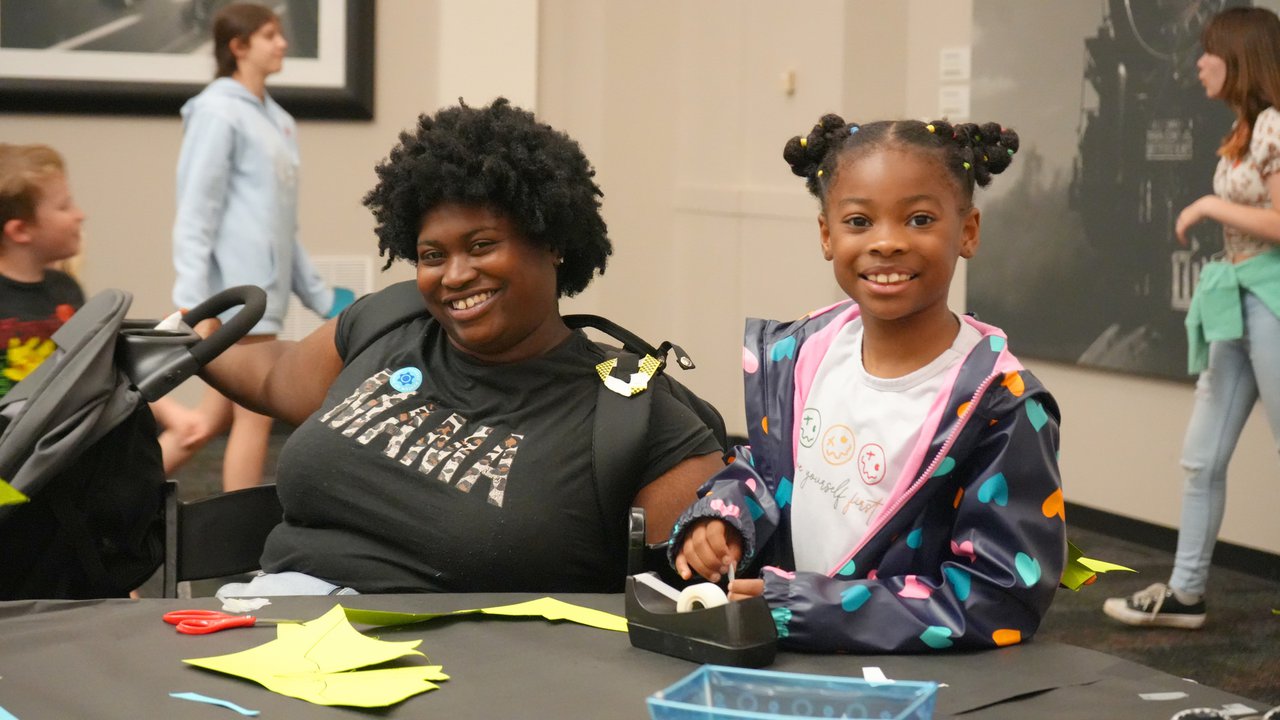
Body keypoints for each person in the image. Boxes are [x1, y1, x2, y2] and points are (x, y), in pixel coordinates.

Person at [198, 98, 727, 596]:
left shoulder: (633, 410)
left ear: (553, 243)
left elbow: (686, 597)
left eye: (481, 246)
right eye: (433, 255)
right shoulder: (390, 322)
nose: (454, 275)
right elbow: (273, 374)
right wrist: (178, 343)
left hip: (461, 676)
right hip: (270, 624)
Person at [669, 114, 1067, 653]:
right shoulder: (803, 355)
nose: (887, 243)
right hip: (792, 657)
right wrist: (724, 517)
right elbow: (767, 472)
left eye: (920, 219)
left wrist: (810, 611)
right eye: (859, 222)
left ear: (968, 231)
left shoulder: (999, 403)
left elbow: (999, 596)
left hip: (915, 685)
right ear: (827, 235)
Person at [1104, 7, 1280, 630]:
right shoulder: (1244, 129)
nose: (1198, 62)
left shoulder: (1274, 129)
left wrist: (1208, 204)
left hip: (1271, 300)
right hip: (1235, 301)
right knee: (1201, 458)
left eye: (1209, 52)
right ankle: (1186, 592)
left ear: (1239, 59)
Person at [166, 2, 353, 490]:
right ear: (238, 47)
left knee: (204, 424)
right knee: (257, 415)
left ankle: (95, 518)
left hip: (262, 292)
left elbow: (280, 225)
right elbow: (196, 210)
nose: (282, 43)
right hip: (237, 298)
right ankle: (244, 557)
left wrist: (319, 295)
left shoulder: (277, 120)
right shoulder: (216, 111)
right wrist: (192, 296)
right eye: (270, 35)